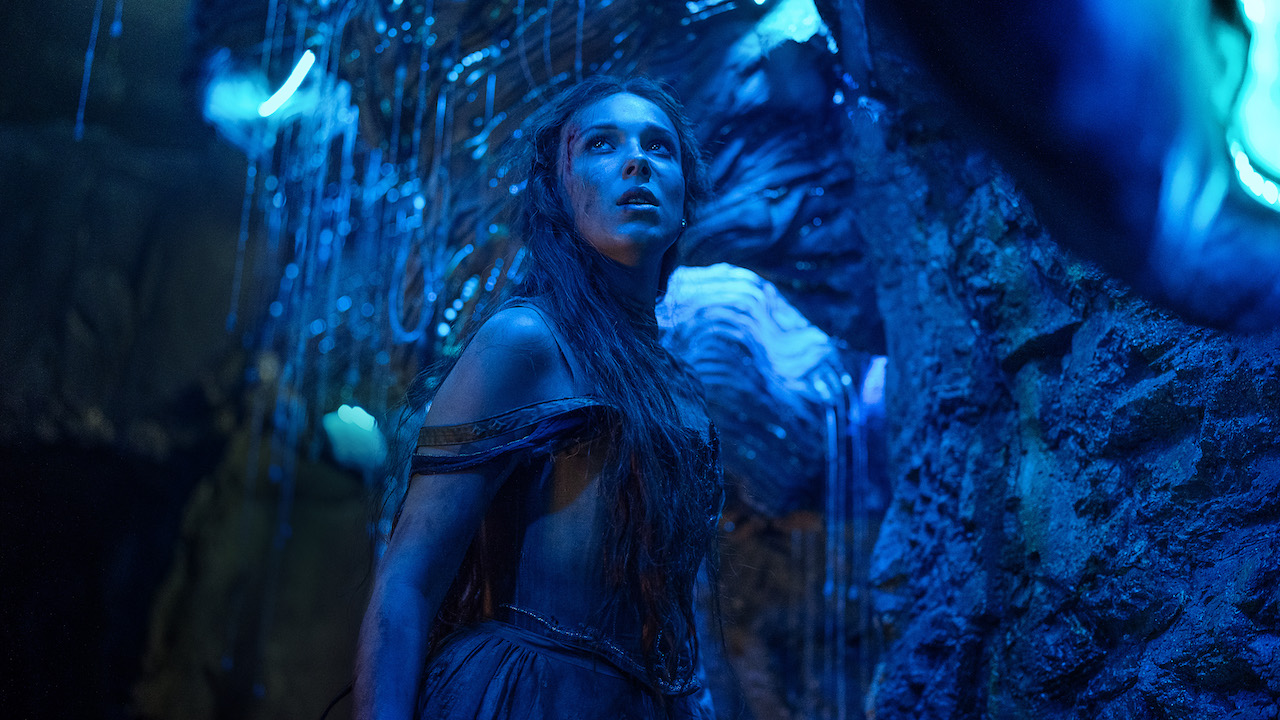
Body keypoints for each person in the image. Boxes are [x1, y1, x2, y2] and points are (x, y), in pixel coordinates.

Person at [354, 75, 723, 720]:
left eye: (659, 147)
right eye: (601, 144)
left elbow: (677, 615)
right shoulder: (526, 341)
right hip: (519, 698)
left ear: (685, 200)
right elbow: (408, 579)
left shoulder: (681, 393)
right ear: (558, 193)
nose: (636, 161)